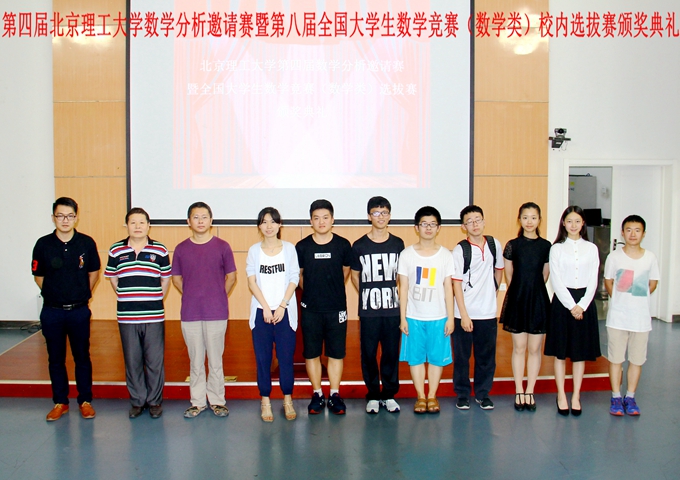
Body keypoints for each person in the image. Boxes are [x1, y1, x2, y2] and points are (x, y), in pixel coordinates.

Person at [31, 197, 101, 421]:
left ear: (76, 218)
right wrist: (56, 294)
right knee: (55, 358)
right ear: (53, 218)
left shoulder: (86, 243)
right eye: (60, 216)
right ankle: (60, 402)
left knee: (82, 357)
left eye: (70, 216)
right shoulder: (43, 244)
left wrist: (81, 294)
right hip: (52, 312)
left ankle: (85, 401)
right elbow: (38, 276)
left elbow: (93, 272)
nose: (65, 220)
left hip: (79, 311)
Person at [104, 208, 171, 419]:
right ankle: (137, 401)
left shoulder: (160, 250)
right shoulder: (116, 250)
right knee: (132, 360)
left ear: (148, 225)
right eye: (133, 222)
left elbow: (165, 279)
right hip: (127, 316)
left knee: (154, 361)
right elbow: (113, 279)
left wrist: (154, 298)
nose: (138, 226)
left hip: (154, 315)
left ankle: (154, 401)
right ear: (127, 225)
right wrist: (126, 296)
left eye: (142, 222)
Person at [172, 202, 237, 418]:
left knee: (216, 360)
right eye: (195, 217)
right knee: (196, 361)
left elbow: (231, 277)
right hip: (190, 313)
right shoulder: (181, 249)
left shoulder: (223, 246)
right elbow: (176, 279)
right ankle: (197, 402)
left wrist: (218, 295)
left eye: (204, 217)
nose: (200, 221)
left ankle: (217, 401)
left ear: (211, 220)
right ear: (188, 221)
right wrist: (192, 294)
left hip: (216, 312)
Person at [296, 199, 352, 415]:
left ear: (332, 220)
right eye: (316, 218)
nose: (321, 222)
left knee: (336, 353)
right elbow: (299, 276)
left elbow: (345, 271)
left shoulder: (343, 245)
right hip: (311, 309)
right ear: (310, 221)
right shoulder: (302, 247)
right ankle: (317, 393)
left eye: (325, 217)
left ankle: (335, 394)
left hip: (336, 309)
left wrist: (331, 290)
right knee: (312, 353)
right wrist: (313, 291)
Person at [397, 206, 455, 414]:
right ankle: (420, 396)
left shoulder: (446, 255)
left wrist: (450, 318)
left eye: (432, 224)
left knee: (437, 359)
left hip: (439, 317)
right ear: (416, 227)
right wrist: (403, 317)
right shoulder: (407, 255)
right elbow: (403, 288)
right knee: (416, 359)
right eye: (424, 224)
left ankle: (432, 396)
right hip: (414, 317)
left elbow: (448, 288)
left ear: (438, 228)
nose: (428, 228)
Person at [545, 206, 601, 417]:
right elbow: (556, 279)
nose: (573, 225)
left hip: (585, 303)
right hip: (562, 303)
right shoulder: (557, 248)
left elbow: (593, 278)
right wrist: (571, 306)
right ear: (563, 223)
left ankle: (576, 395)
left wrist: (582, 305)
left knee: (579, 353)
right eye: (569, 221)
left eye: (577, 221)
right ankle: (561, 394)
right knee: (560, 353)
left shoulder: (591, 248)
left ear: (583, 223)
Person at [351, 196, 405, 414]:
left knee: (391, 353)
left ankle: (389, 394)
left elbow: (401, 276)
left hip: (392, 310)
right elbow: (355, 276)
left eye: (384, 213)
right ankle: (373, 394)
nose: (380, 217)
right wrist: (368, 295)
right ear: (369, 216)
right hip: (369, 311)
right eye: (376, 213)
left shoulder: (398, 244)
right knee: (369, 353)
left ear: (389, 216)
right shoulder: (359, 245)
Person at [246, 207, 300, 422]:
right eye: (264, 222)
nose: (269, 226)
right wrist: (266, 307)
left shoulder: (289, 249)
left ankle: (288, 399)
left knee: (286, 358)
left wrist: (282, 305)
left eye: (273, 221)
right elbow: (252, 282)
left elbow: (294, 278)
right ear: (259, 226)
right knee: (263, 359)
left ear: (280, 225)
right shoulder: (253, 251)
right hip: (262, 312)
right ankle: (265, 401)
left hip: (284, 312)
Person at [604, 215, 659, 416]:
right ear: (622, 233)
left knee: (636, 360)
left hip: (641, 319)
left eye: (637, 230)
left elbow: (652, 283)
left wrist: (637, 300)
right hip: (617, 318)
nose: (633, 234)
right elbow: (608, 282)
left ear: (643, 234)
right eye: (628, 230)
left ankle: (630, 397)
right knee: (616, 359)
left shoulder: (650, 258)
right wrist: (620, 300)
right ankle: (616, 397)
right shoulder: (614, 257)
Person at [500, 202, 551, 412]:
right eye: (525, 217)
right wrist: (520, 291)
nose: (529, 221)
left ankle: (530, 390)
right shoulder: (513, 245)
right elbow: (509, 275)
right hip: (517, 300)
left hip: (538, 300)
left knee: (535, 348)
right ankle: (519, 390)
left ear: (539, 220)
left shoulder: (546, 246)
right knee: (519, 348)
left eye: (533, 217)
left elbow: (545, 275)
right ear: (519, 220)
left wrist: (533, 289)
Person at [452, 205, 504, 411]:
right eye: (469, 221)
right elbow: (456, 284)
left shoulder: (494, 244)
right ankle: (462, 394)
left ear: (484, 221)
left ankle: (483, 394)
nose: (474, 224)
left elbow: (498, 270)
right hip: (464, 314)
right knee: (462, 358)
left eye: (478, 220)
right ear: (463, 226)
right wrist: (464, 315)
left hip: (488, 314)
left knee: (486, 358)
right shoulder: (460, 250)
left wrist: (493, 292)